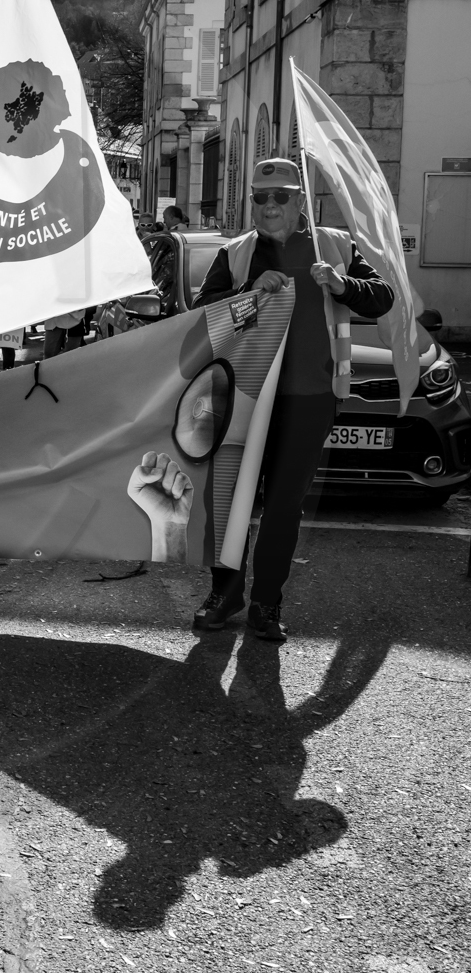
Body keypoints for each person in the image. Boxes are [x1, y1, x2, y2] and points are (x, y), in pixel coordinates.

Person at [192, 158, 394, 641]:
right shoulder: (237, 253)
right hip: (243, 396)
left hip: (309, 397)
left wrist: (341, 284)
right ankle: (225, 593)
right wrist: (247, 292)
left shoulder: (336, 246)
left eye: (280, 196)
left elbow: (382, 297)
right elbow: (201, 317)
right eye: (260, 198)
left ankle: (266, 603)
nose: (269, 206)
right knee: (230, 503)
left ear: (302, 201)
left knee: (284, 505)